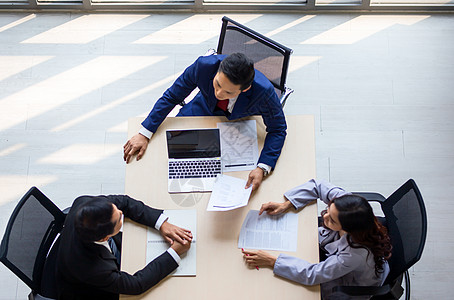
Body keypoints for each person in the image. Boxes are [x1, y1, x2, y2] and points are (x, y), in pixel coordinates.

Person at [123, 53, 287, 191]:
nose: (219, 93)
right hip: (200, 110)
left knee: (226, 177)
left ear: (244, 89)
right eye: (217, 84)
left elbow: (278, 129)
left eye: (228, 92)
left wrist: (262, 167)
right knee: (168, 158)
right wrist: (144, 133)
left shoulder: (264, 92)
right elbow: (172, 96)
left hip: (238, 125)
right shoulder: (203, 66)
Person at [242, 179, 392, 300]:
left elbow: (312, 275)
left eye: (332, 220)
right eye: (328, 210)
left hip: (351, 283)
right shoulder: (346, 205)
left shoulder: (353, 255)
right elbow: (318, 186)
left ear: (348, 228)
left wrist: (272, 261)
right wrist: (287, 204)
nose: (324, 217)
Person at [56, 194, 192, 300]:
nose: (121, 212)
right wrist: (174, 253)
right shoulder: (94, 269)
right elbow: (136, 285)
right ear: (105, 238)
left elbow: (125, 202)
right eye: (119, 218)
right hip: (89, 291)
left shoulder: (83, 203)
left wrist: (161, 224)